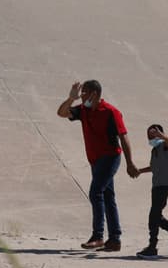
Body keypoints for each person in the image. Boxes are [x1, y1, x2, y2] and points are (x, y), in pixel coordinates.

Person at [56, 79, 140, 251]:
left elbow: (123, 136)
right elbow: (61, 113)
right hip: (95, 160)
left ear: (94, 94)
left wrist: (130, 162)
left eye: (84, 92)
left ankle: (98, 236)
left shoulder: (111, 112)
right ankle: (115, 240)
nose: (81, 96)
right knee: (108, 197)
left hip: (110, 157)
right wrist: (70, 99)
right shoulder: (84, 110)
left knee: (96, 193)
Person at [134, 124, 168, 258]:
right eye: (149, 135)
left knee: (153, 217)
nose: (151, 137)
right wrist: (140, 171)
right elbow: (153, 167)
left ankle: (152, 246)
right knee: (157, 217)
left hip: (163, 186)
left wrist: (160, 135)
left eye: (153, 134)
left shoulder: (163, 146)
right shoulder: (154, 150)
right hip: (156, 187)